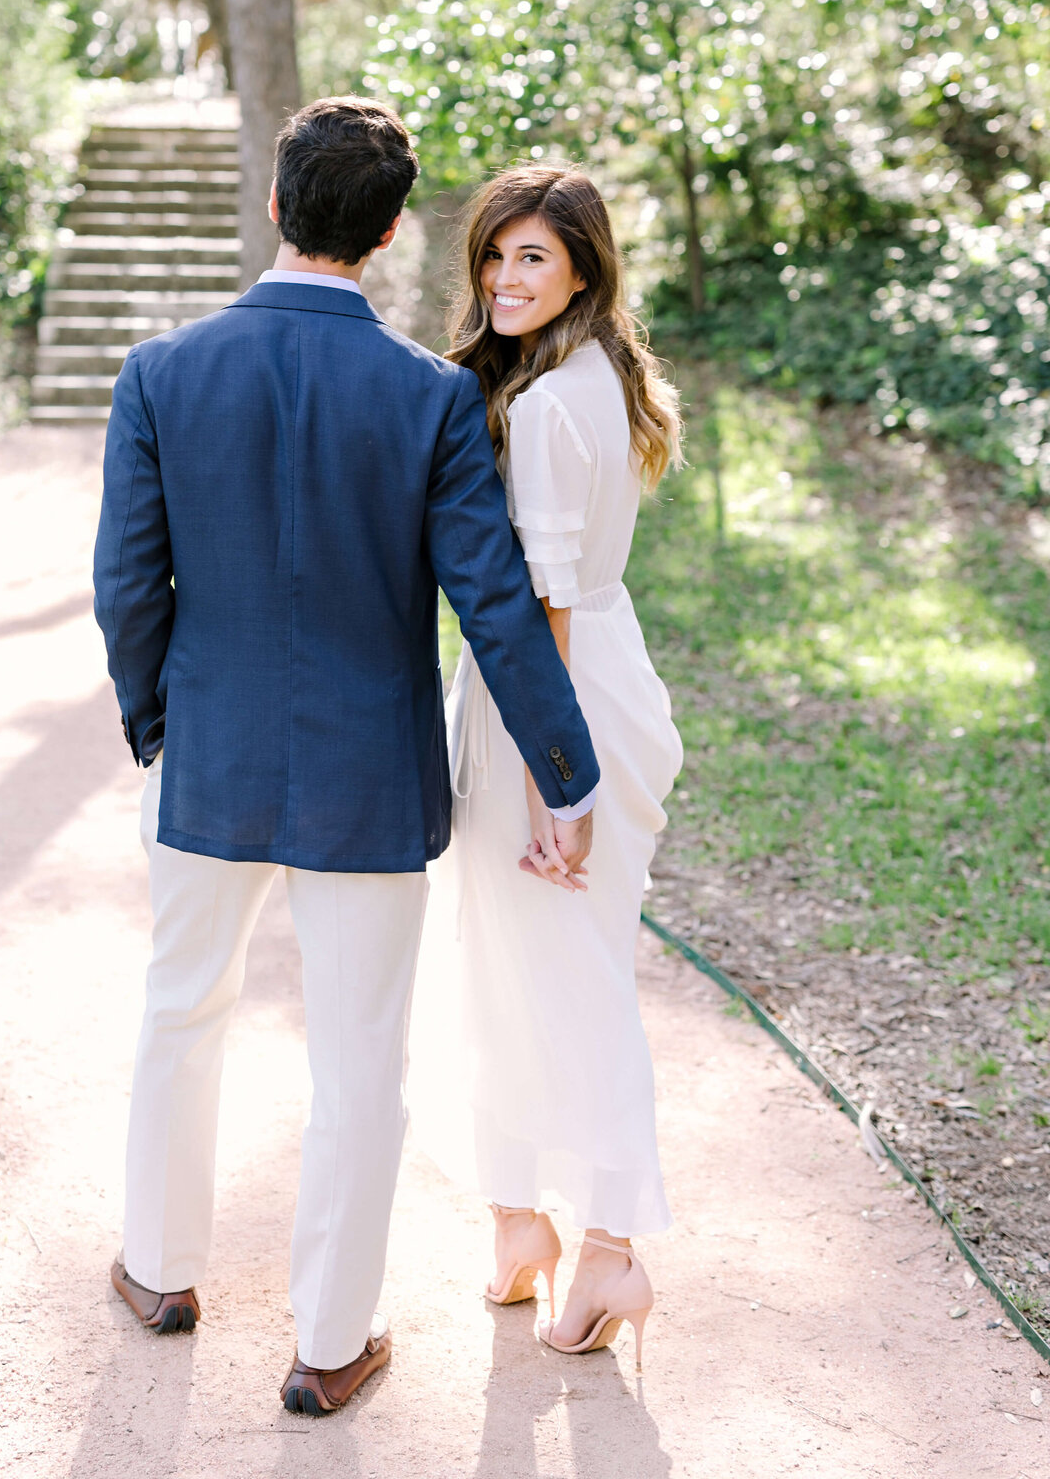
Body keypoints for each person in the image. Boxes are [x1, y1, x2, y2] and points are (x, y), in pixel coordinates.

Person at [92, 98, 600, 1417]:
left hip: (208, 758)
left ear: (276, 206)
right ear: (384, 234)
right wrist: (568, 770)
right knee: (361, 1060)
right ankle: (329, 1344)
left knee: (178, 1009)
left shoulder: (161, 373)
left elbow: (128, 591)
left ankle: (159, 1270)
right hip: (370, 778)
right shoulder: (431, 398)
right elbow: (494, 604)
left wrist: (162, 725)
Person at [407, 165, 684, 1374]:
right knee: (511, 965)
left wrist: (549, 788)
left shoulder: (554, 408)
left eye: (536, 258)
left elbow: (549, 609)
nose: (508, 279)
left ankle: (613, 1242)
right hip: (567, 690)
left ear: (583, 267)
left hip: (549, 711)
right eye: (495, 256)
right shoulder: (590, 375)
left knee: (569, 978)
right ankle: (520, 1219)